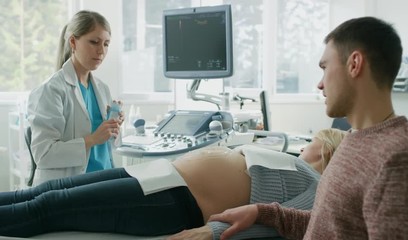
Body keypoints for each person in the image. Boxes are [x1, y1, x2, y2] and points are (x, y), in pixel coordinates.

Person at [186, 16, 408, 240]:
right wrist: (261, 213)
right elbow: (332, 226)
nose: (320, 84)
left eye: (324, 67)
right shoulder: (357, 139)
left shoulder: (400, 160)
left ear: (354, 64)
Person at [0, 128, 346, 238]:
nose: (306, 143)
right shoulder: (294, 161)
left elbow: (278, 219)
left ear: (328, 147)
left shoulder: (319, 186)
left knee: (47, 207)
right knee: (43, 191)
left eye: (313, 140)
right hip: (159, 175)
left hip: (178, 200)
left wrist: (210, 233)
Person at [26, 10, 124, 186]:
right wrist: (92, 139)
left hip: (105, 181)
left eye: (106, 44)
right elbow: (43, 155)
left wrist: (113, 128)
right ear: (73, 41)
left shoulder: (102, 89)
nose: (101, 51)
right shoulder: (51, 90)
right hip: (72, 189)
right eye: (94, 42)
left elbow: (108, 147)